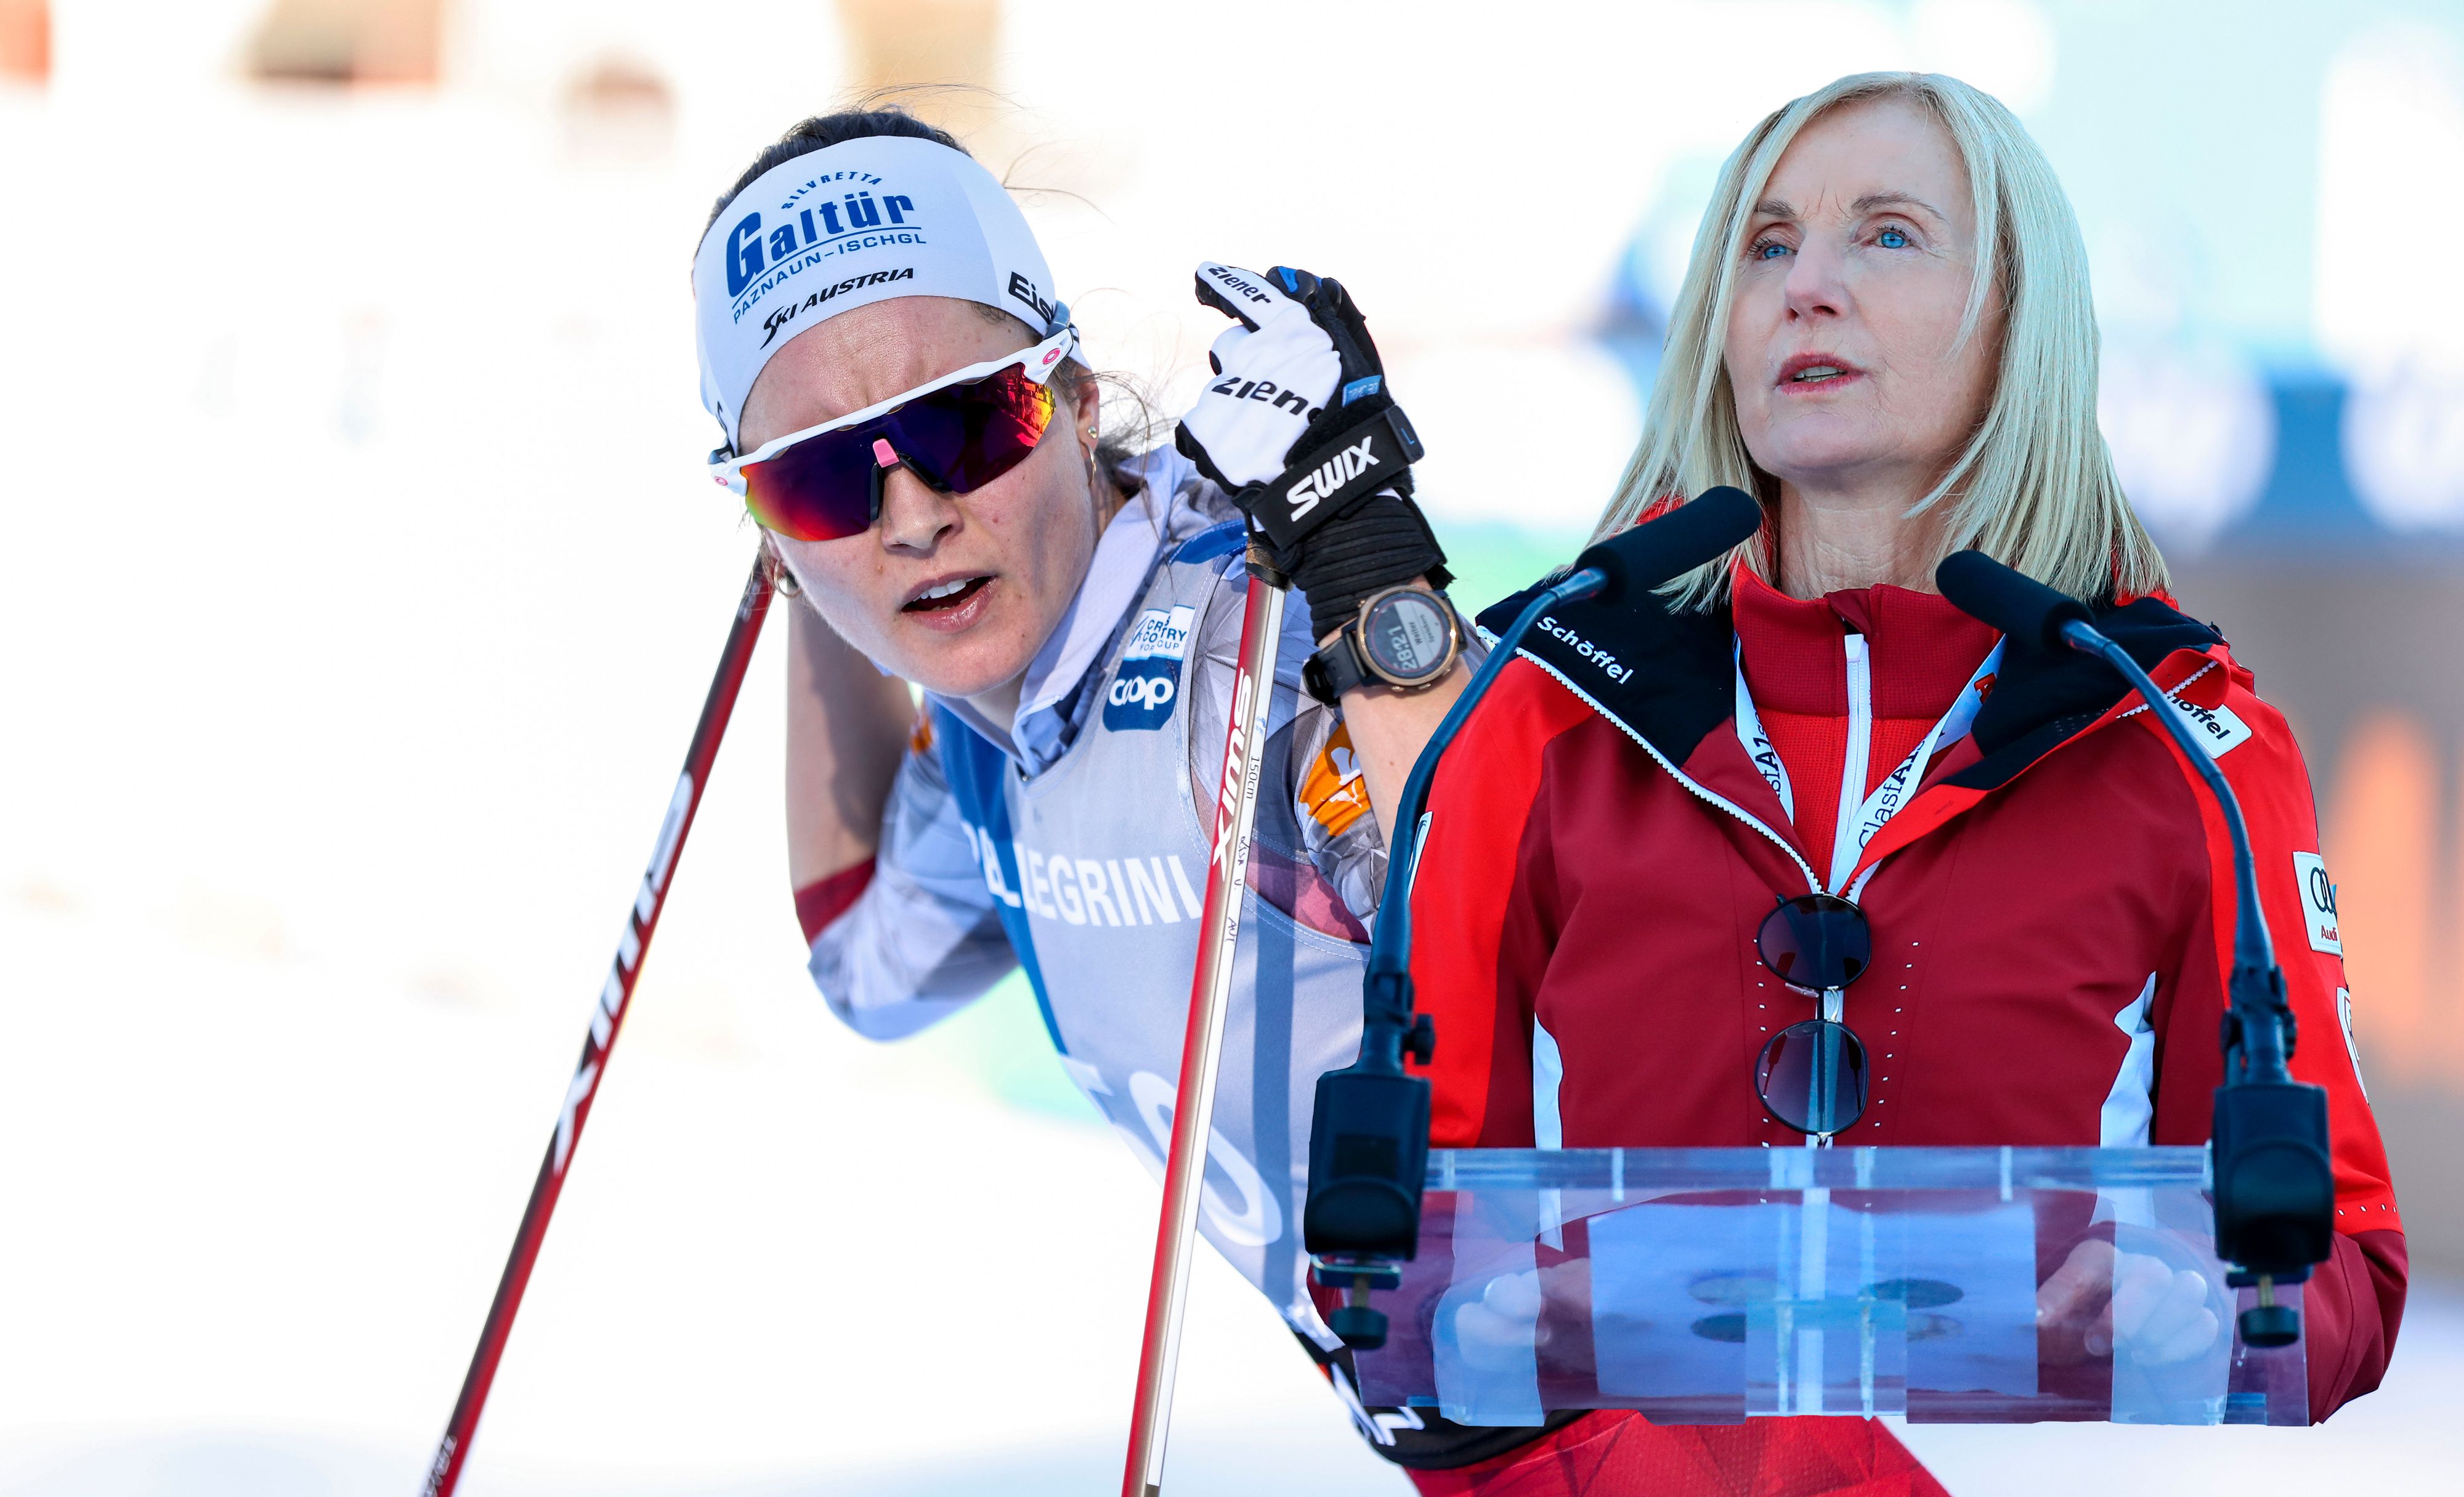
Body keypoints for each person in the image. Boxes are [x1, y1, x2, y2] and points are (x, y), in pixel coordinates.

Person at [1400, 72, 2405, 1496]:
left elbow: (2342, 1274)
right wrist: (1482, 1329)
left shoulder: (2186, 744)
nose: (1804, 285)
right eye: (1762, 245)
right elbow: (1412, 1256)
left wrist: (2217, 1318)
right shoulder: (1540, 708)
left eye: (1884, 235)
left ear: (2017, 320)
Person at [691, 107, 1503, 1461]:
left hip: (1702, 1423)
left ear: (1064, 390)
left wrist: (1373, 577)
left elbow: (1557, 944)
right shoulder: (990, 722)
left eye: (963, 424)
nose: (908, 516)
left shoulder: (1249, 645)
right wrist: (802, 571)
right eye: (823, 478)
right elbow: (870, 964)